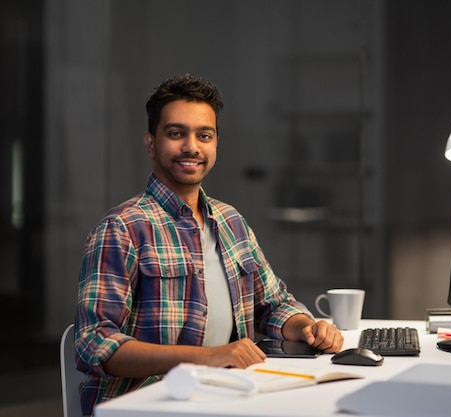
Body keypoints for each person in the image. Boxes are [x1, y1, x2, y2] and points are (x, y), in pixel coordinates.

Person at [74, 74, 344, 416]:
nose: (192, 147)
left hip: (228, 400)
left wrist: (307, 327)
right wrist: (208, 357)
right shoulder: (122, 229)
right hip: (149, 407)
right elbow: (93, 345)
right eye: (176, 133)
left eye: (204, 135)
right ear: (150, 143)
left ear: (215, 144)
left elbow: (274, 305)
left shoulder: (232, 222)